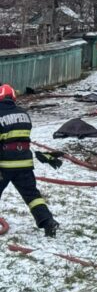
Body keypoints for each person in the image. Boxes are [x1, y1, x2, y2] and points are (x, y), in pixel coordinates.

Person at [0, 84, 59, 237]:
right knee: (32, 196)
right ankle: (48, 221)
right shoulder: (24, 114)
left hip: (4, 164)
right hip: (25, 163)